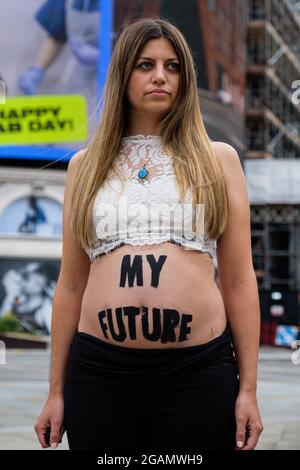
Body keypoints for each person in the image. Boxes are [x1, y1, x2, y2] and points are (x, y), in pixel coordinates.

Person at [34, 17, 263, 451]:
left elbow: (238, 280)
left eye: (173, 66)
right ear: (123, 74)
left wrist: (248, 390)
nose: (161, 76)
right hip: (99, 374)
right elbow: (71, 284)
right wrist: (56, 391)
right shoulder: (85, 166)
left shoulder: (218, 160)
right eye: (146, 64)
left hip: (197, 373)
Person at [18, 0, 99, 108]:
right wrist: (37, 70)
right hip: (79, 82)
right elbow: (56, 34)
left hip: (117, 76)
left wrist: (107, 56)